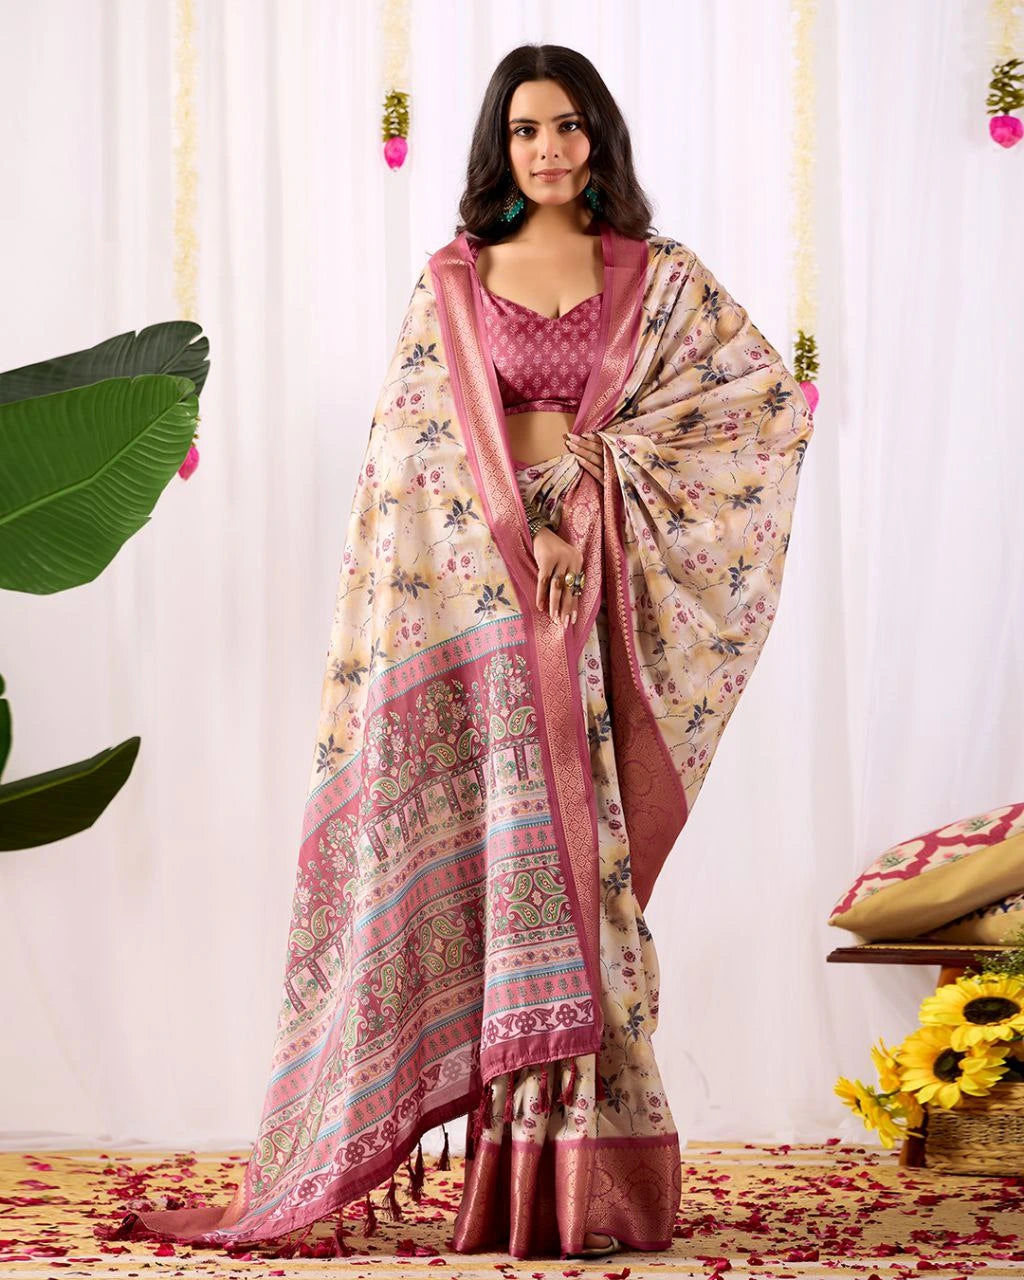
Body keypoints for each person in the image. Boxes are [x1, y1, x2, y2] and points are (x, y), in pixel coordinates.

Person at [117, 42, 814, 1264]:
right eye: (527, 129)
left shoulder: (655, 278)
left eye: (569, 126)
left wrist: (591, 505)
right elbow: (408, 451)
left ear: (599, 138)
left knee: (578, 864)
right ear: (501, 145)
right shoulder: (455, 277)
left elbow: (750, 404)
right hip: (477, 597)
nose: (549, 149)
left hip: (595, 588)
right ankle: (499, 1168)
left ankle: (580, 1181)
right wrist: (517, 530)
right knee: (505, 854)